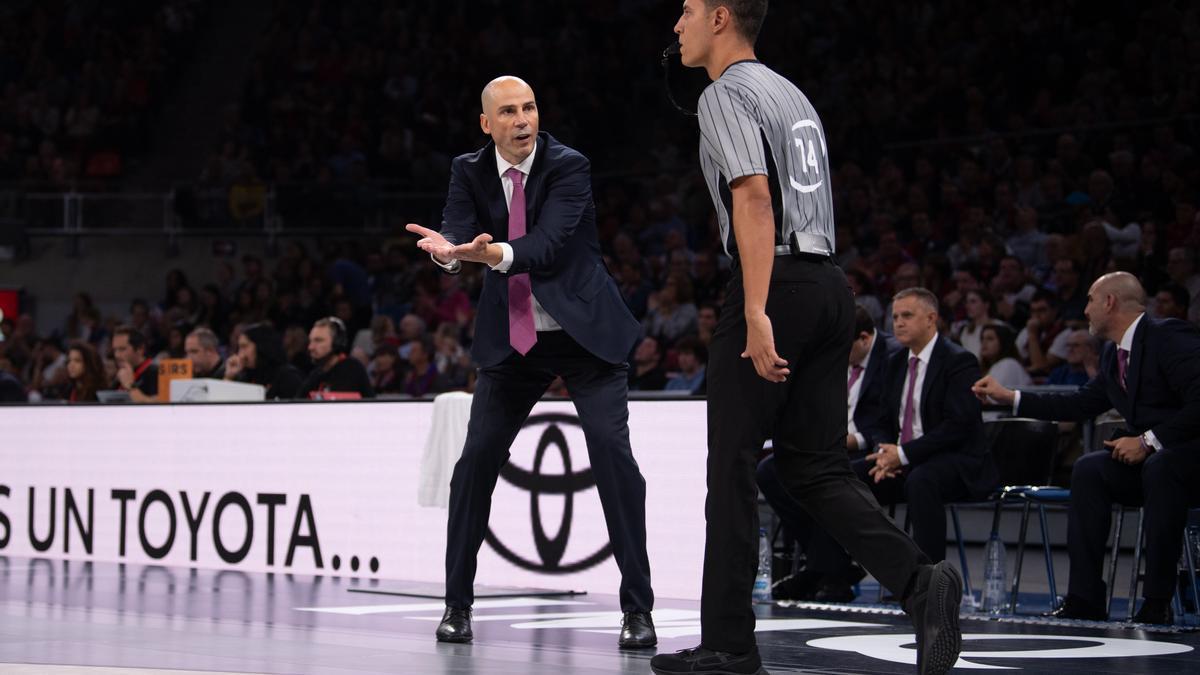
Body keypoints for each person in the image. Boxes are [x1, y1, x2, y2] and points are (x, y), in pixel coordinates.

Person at [654, 4, 963, 675]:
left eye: (685, 10)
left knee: (732, 465)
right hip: (830, 286)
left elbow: (755, 197)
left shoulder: (724, 94)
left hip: (776, 284)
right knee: (812, 466)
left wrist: (757, 307)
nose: (675, 23)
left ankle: (731, 645)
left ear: (719, 16)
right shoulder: (790, 92)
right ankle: (922, 582)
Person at [405, 75, 655, 649]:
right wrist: (448, 255)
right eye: (509, 112)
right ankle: (456, 608)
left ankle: (638, 611)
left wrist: (486, 253)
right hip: (514, 340)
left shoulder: (569, 166)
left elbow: (544, 245)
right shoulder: (468, 170)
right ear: (486, 124)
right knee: (474, 465)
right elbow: (455, 234)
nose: (523, 120)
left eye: (531, 108)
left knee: (615, 460)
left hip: (585, 334)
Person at [974, 272, 1200, 625]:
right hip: (1156, 463)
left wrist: (1146, 441)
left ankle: (1158, 600)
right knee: (1090, 469)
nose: (1086, 310)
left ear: (1109, 302)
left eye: (1091, 301)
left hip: (1187, 458)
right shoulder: (1114, 355)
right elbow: (1079, 405)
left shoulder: (1167, 336)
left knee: (1161, 466)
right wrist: (1010, 397)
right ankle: (1085, 598)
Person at [756, 305, 902, 601]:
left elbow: (891, 418)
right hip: (831, 443)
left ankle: (825, 571)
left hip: (868, 449)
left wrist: (851, 440)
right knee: (770, 471)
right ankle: (830, 564)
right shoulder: (836, 354)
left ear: (863, 339)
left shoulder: (892, 357)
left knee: (823, 478)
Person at [299, 317, 375, 399]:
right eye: (310, 341)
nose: (310, 347)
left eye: (318, 340)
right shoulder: (315, 375)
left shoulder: (352, 369)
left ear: (337, 342)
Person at [224, 323, 303, 400]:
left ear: (261, 346)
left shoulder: (288, 376)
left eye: (244, 347)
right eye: (239, 348)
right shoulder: (246, 376)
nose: (240, 354)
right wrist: (229, 377)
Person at [111, 325, 158, 402]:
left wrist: (130, 385)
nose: (116, 355)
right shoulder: (119, 375)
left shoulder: (156, 373)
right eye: (115, 350)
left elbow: (155, 408)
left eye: (122, 349)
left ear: (140, 349)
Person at [978, 324, 1031, 389]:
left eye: (990, 339)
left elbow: (994, 395)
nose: (984, 342)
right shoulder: (987, 367)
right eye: (982, 339)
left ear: (1003, 342)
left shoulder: (1009, 364)